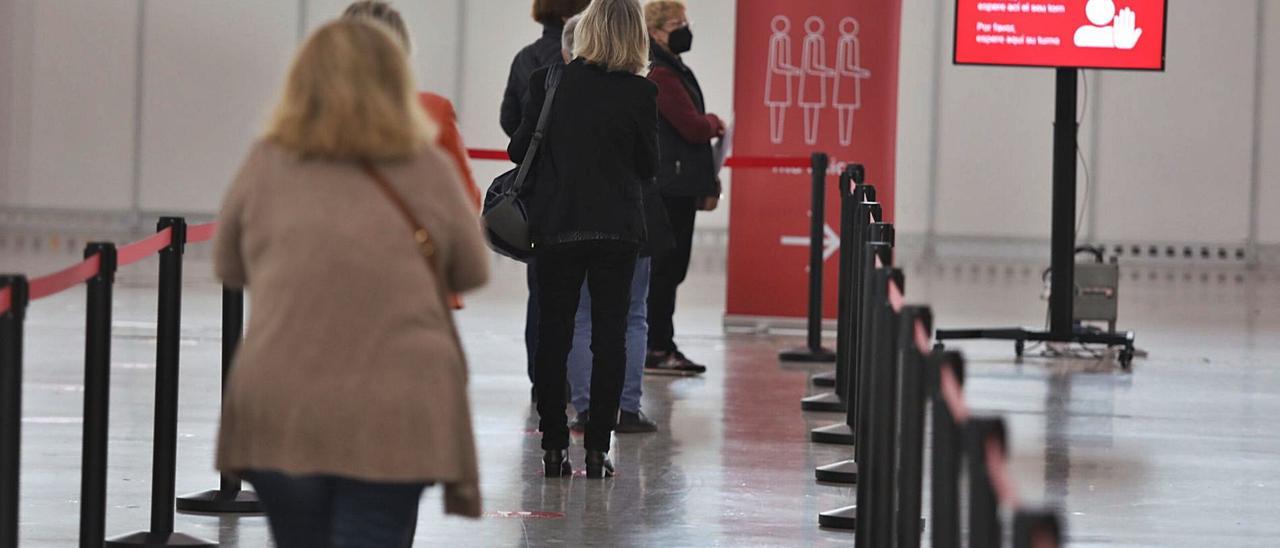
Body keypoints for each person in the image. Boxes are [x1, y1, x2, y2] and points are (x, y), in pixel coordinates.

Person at [214, 19, 489, 547]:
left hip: (282, 402)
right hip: (396, 401)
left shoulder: (267, 162)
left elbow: (228, 265)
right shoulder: (426, 167)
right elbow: (472, 270)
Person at [509, 0, 657, 479]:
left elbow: (518, 148)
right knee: (610, 339)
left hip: (557, 226)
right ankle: (598, 450)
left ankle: (554, 447)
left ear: (588, 30)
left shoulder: (548, 81)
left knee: (555, 334)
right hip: (617, 228)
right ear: (635, 35)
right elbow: (648, 166)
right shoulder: (639, 93)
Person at [556, 14, 667, 435]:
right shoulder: (640, 92)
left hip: (571, 217)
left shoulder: (561, 85)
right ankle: (626, 408)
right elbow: (649, 165)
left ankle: (585, 409)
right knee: (631, 315)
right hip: (625, 219)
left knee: (581, 315)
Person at [502, 0, 591, 401]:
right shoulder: (592, 61)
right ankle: (581, 380)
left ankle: (543, 380)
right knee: (589, 296)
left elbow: (510, 120)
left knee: (542, 290)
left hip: (542, 192)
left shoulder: (526, 59)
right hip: (587, 190)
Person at [643, 0, 724, 376]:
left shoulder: (673, 68)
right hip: (670, 188)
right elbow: (691, 126)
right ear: (656, 31)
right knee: (666, 270)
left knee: (670, 271)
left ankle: (660, 342)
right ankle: (658, 346)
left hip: (679, 185)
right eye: (676, 23)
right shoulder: (661, 74)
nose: (684, 29)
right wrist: (714, 123)